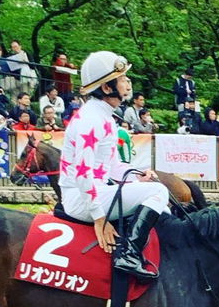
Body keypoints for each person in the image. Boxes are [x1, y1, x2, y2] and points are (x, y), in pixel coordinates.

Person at [58, 50, 169, 280]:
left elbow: (110, 166)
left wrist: (137, 177)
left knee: (163, 204)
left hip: (95, 191)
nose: (127, 83)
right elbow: (82, 174)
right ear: (107, 88)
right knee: (159, 192)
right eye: (121, 79)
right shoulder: (92, 119)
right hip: (82, 198)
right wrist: (99, 218)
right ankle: (128, 256)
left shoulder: (104, 116)